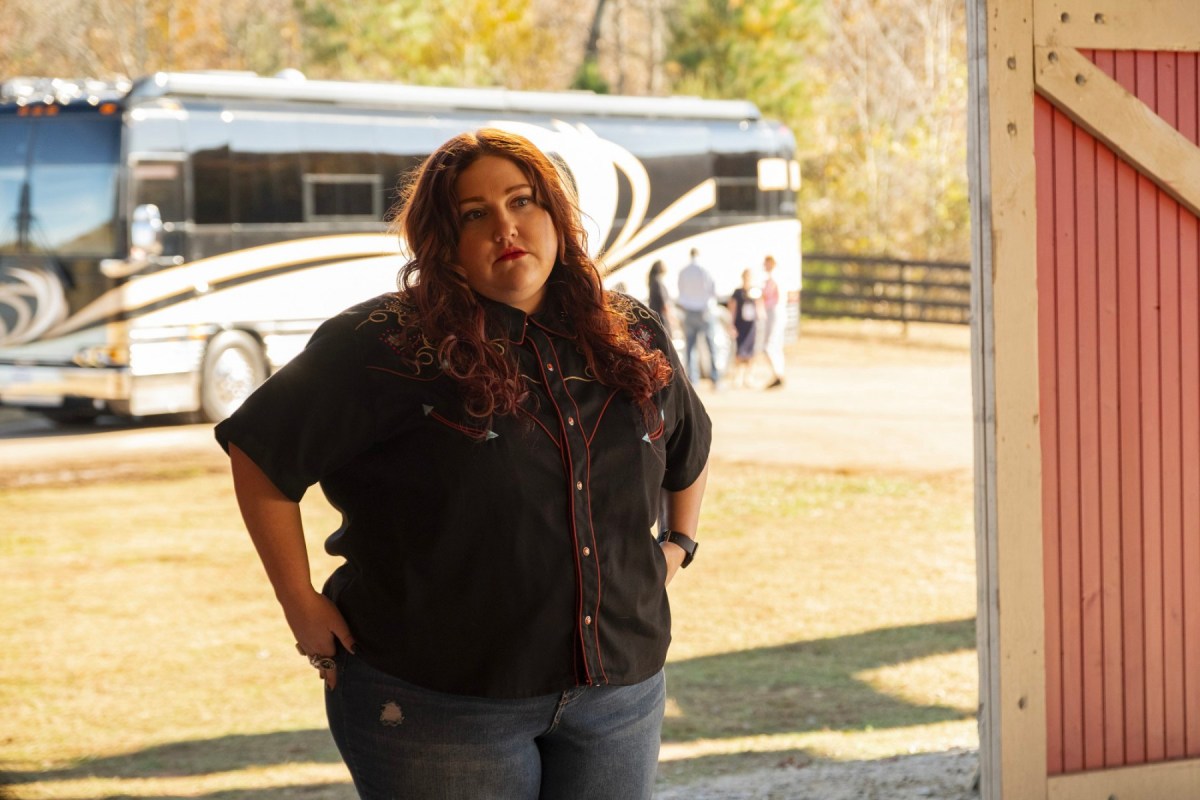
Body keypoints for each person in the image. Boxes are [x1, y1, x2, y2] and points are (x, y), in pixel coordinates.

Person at [215, 128, 711, 800]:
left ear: (556, 215)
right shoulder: (380, 345)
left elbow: (688, 446)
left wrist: (677, 546)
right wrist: (298, 602)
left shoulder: (632, 331)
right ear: (441, 242)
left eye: (522, 201)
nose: (505, 225)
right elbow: (261, 454)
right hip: (438, 706)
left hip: (617, 694)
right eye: (474, 214)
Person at [675, 247, 721, 388]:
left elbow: (681, 291)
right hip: (704, 311)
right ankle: (715, 378)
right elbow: (713, 291)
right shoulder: (705, 270)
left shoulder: (683, 271)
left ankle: (693, 379)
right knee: (711, 345)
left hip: (689, 311)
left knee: (691, 347)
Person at [727, 268, 762, 388]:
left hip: (751, 325)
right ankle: (737, 376)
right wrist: (731, 324)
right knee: (739, 351)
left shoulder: (755, 291)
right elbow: (732, 308)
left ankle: (749, 377)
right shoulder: (738, 293)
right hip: (740, 324)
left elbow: (759, 307)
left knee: (751, 352)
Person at [760, 255, 785, 389]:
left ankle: (778, 373)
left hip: (774, 311)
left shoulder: (774, 279)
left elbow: (773, 297)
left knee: (769, 345)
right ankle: (778, 372)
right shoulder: (773, 278)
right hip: (775, 310)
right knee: (776, 345)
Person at [646, 259, 676, 335]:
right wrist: (670, 318)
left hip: (656, 316)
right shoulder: (657, 282)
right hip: (661, 317)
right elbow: (663, 302)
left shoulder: (653, 281)